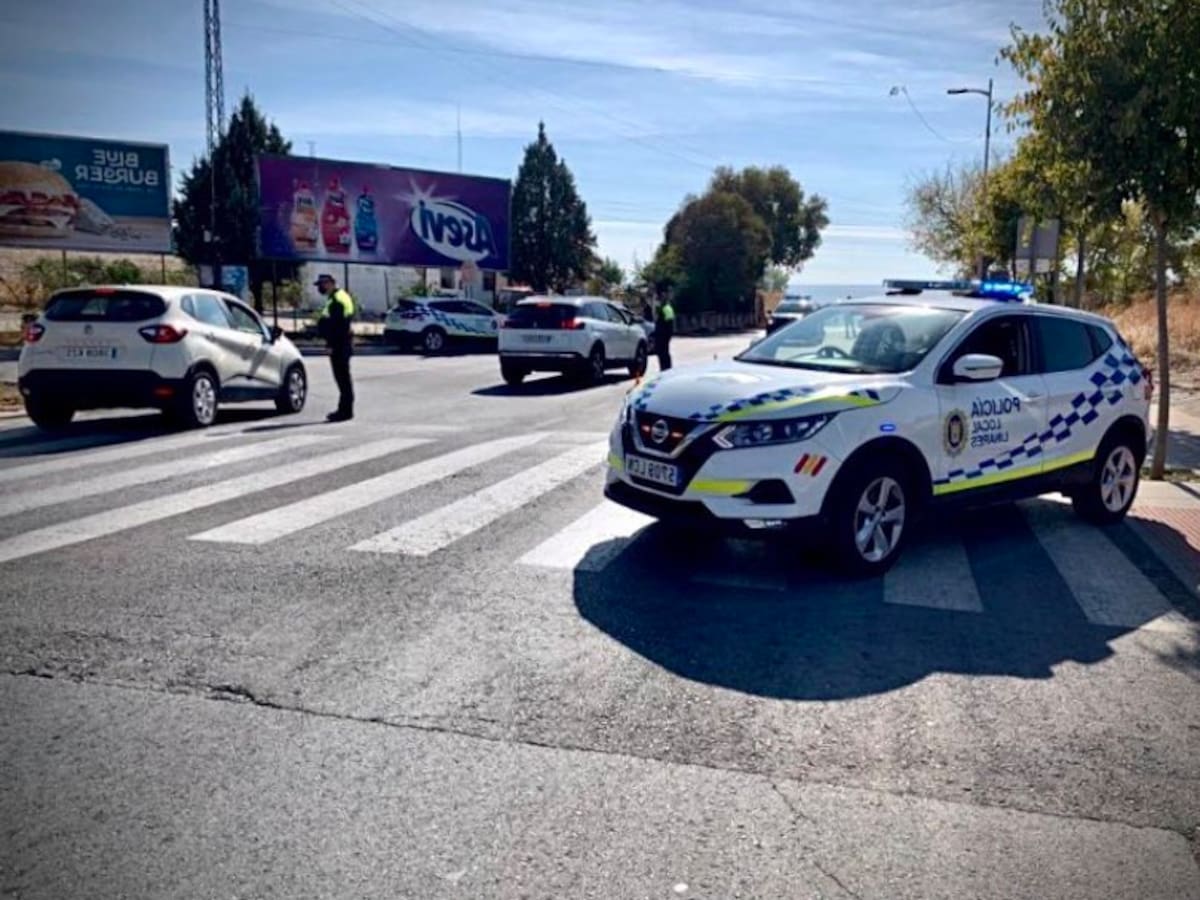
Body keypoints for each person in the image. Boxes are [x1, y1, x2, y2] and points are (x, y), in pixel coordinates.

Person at [314, 273, 355, 421]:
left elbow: (338, 327)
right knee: (344, 378)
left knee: (342, 378)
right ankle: (345, 409)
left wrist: (331, 345)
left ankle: (345, 411)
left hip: (339, 345)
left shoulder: (337, 300)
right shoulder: (339, 296)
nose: (320, 287)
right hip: (343, 343)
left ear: (331, 283)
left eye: (322, 284)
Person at [655, 294, 675, 371]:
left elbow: (669, 323)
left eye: (658, 300)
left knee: (664, 352)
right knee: (662, 352)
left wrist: (666, 335)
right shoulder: (663, 308)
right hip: (662, 335)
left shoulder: (667, 308)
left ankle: (666, 369)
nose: (658, 302)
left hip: (664, 335)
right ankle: (664, 368)